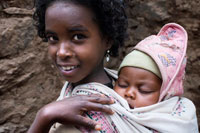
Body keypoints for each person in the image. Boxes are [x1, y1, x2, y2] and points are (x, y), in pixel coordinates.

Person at [70, 23, 199, 132]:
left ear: (165, 95)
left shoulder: (180, 122)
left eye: (144, 90)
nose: (129, 93)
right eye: (122, 84)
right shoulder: (105, 111)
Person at [28, 0, 127, 133]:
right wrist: (46, 116)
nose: (62, 52)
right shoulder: (69, 97)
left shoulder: (118, 106)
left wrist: (44, 116)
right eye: (53, 38)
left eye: (78, 36)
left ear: (107, 40)